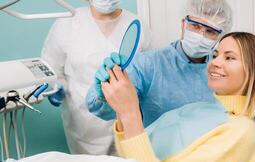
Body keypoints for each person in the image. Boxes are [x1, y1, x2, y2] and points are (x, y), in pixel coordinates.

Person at [99, 32, 255, 162]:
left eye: (229, 57)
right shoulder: (201, 108)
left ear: (254, 71)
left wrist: (131, 113)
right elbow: (131, 152)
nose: (214, 63)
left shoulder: (242, 133)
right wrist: (122, 110)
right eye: (215, 55)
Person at [86, 0, 233, 127]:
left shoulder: (224, 71)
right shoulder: (148, 65)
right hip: (156, 155)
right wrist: (104, 95)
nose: (201, 36)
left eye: (210, 31)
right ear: (183, 24)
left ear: (220, 36)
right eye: (195, 26)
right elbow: (108, 110)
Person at [41, 0, 149, 154]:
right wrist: (57, 87)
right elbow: (51, 69)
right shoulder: (67, 24)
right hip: (82, 125)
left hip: (125, 122)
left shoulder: (137, 25)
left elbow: (149, 73)